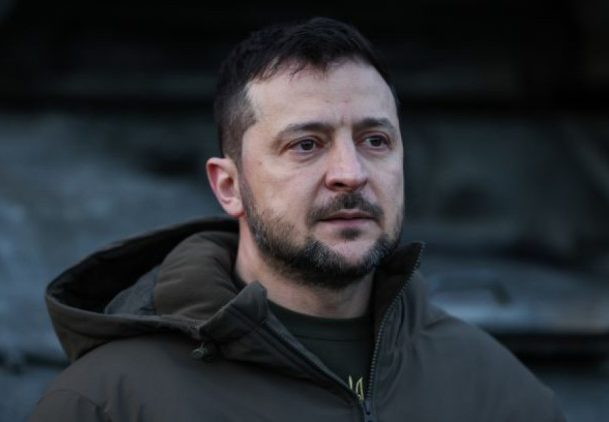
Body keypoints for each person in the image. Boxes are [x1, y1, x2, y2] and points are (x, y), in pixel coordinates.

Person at [30, 16, 566, 422]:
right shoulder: (108, 402)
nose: (350, 173)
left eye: (375, 140)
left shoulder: (497, 392)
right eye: (306, 144)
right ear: (229, 186)